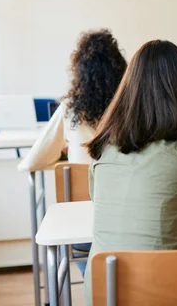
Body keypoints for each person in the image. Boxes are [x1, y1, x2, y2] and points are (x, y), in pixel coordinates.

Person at [82, 39, 177, 305]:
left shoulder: (104, 146)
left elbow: (102, 203)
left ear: (128, 92)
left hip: (102, 292)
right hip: (163, 292)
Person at [18, 28, 127, 275]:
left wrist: (66, 153)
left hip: (84, 232)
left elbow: (35, 159)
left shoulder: (70, 110)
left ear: (80, 73)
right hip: (129, 222)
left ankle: (97, 282)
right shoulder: (130, 108)